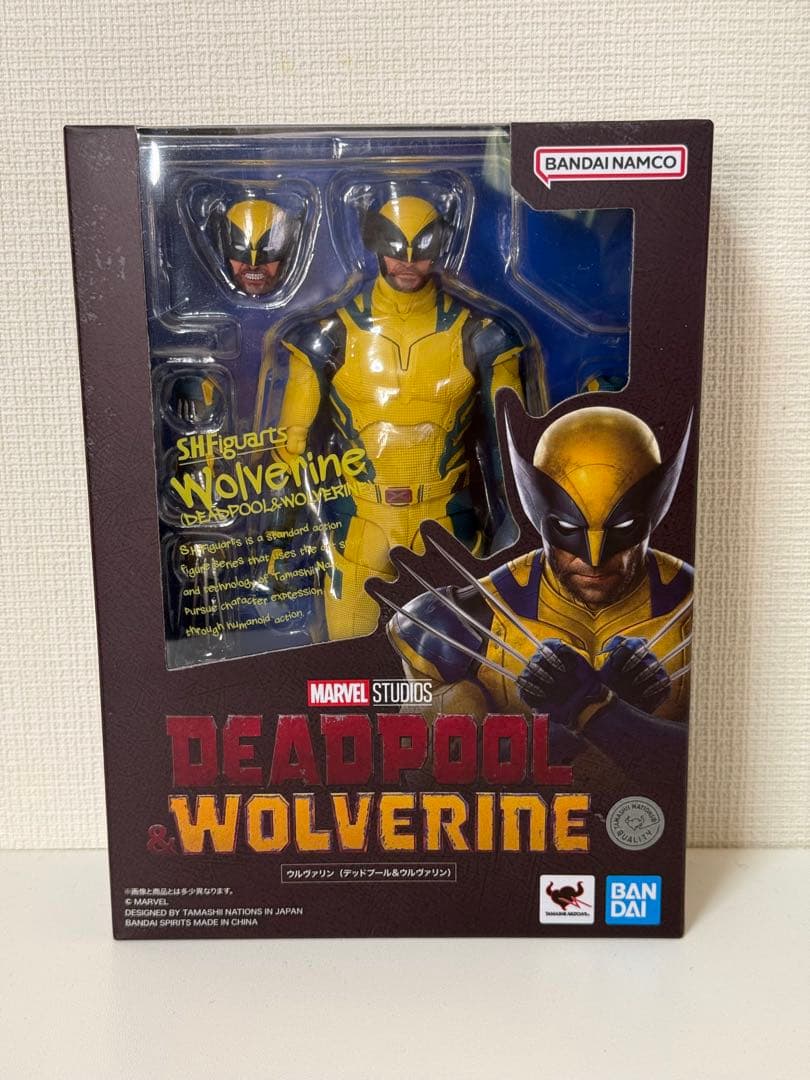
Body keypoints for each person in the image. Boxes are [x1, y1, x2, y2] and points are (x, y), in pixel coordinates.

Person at [273, 192, 544, 640]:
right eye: (396, 249)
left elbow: (512, 452)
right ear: (375, 245)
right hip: (360, 523)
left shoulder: (482, 336)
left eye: (422, 251)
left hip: (449, 523)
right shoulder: (328, 337)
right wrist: (279, 542)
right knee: (349, 662)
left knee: (456, 666)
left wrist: (519, 535)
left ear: (441, 249)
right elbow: (293, 449)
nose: (408, 263)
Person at [386, 406, 692, 788]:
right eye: (568, 528)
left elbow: (717, 765)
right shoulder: (463, 623)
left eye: (623, 528)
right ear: (538, 510)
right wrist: (599, 714)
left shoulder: (700, 615)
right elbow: (425, 777)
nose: (594, 558)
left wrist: (593, 710)